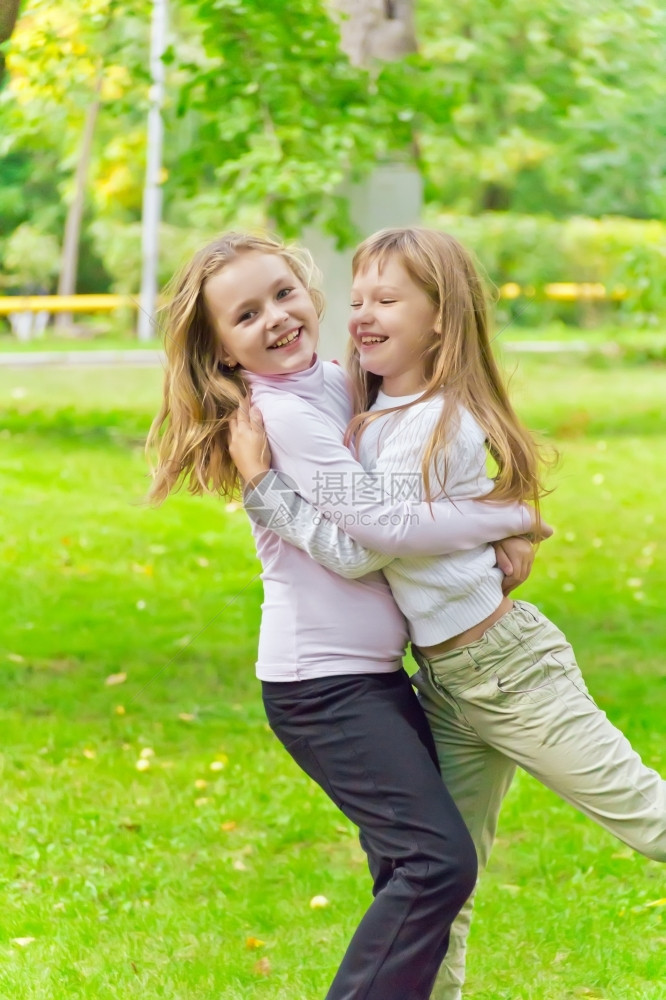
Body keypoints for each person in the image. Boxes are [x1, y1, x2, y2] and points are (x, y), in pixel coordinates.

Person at [231, 227, 666, 1000]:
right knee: (443, 890)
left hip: (509, 671)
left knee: (646, 816)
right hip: (444, 682)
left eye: (387, 300)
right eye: (358, 298)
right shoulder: (373, 404)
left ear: (442, 317)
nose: (362, 314)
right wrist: (509, 518)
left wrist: (267, 491)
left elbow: (377, 544)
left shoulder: (432, 423)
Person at [146, 231, 541, 1000]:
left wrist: (498, 530)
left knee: (407, 869)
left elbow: (407, 486)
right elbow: (368, 547)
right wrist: (507, 519)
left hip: (373, 676)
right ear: (224, 350)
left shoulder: (337, 382)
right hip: (321, 687)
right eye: (246, 315)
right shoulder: (283, 417)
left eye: (283, 294)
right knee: (437, 863)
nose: (276, 318)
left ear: (308, 290)